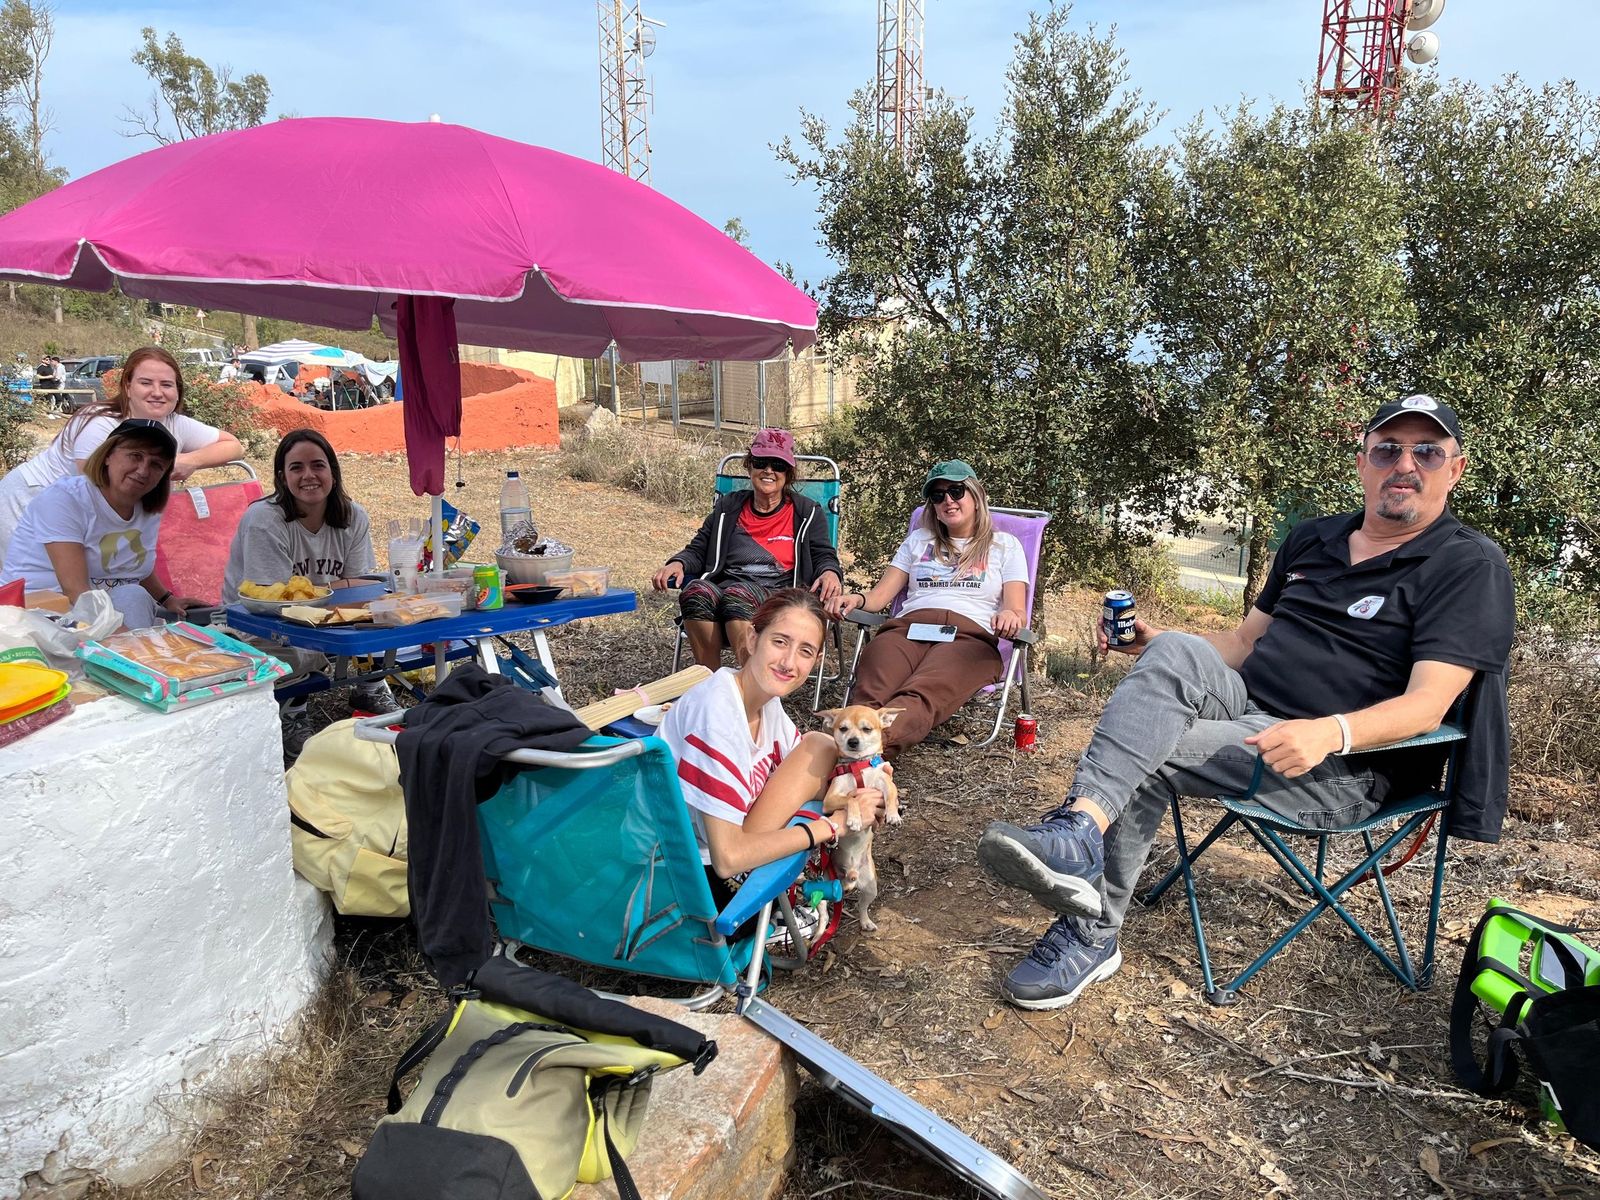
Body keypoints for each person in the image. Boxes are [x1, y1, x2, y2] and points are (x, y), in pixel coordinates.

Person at [976, 396, 1516, 1010]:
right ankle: (1079, 832)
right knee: (1177, 649)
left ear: (1456, 469)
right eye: (1388, 449)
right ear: (1363, 461)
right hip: (1244, 707)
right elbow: (1239, 643)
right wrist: (1154, 642)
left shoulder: (1467, 564)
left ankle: (1091, 929)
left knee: (1154, 752)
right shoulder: (1314, 539)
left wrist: (1329, 732)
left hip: (1338, 762)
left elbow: (1426, 705)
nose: (1405, 465)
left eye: (1427, 452)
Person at [659, 588, 886, 904]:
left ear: (816, 662)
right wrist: (830, 827)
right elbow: (726, 860)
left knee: (820, 745)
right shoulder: (717, 715)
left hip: (725, 849)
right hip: (688, 880)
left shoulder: (766, 704)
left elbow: (814, 775)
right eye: (780, 642)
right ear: (752, 639)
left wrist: (865, 784)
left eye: (805, 651)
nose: (788, 662)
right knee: (819, 749)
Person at [826, 461, 1028, 756]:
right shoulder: (919, 540)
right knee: (872, 691)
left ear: (975, 495)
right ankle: (847, 750)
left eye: (956, 491)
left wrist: (1010, 616)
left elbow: (1016, 610)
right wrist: (857, 599)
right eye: (937, 495)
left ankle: (863, 755)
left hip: (969, 638)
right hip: (907, 630)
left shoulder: (1004, 545)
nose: (948, 500)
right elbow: (880, 596)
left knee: (921, 693)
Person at [221, 428, 399, 740]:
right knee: (291, 651)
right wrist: (335, 604)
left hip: (325, 617)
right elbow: (273, 602)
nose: (308, 476)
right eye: (296, 468)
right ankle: (292, 710)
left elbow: (358, 585)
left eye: (318, 465)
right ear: (282, 477)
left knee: (385, 611)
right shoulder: (265, 519)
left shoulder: (353, 516)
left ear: (333, 471)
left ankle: (370, 684)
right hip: (260, 624)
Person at [0, 347, 244, 561]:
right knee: (32, 590)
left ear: (178, 392)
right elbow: (96, 485)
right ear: (127, 387)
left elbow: (233, 445)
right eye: (146, 383)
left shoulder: (175, 423)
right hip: (28, 500)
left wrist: (189, 461)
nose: (157, 392)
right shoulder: (101, 422)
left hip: (79, 518)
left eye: (167, 385)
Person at [652, 428, 843, 671]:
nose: (769, 471)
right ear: (749, 466)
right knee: (696, 591)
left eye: (778, 465)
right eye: (761, 462)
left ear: (789, 472)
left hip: (779, 595)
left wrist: (830, 572)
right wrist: (678, 563)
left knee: (738, 594)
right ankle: (712, 685)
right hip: (726, 588)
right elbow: (699, 548)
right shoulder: (728, 507)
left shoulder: (806, 512)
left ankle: (751, 688)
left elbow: (823, 555)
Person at [0, 419, 206, 627]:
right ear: (108, 455)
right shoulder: (65, 499)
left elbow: (132, 562)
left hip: (100, 608)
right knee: (134, 600)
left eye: (156, 464)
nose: (143, 470)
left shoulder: (147, 506)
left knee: (134, 595)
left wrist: (167, 599)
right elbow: (74, 589)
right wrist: (129, 641)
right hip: (37, 613)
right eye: (135, 456)